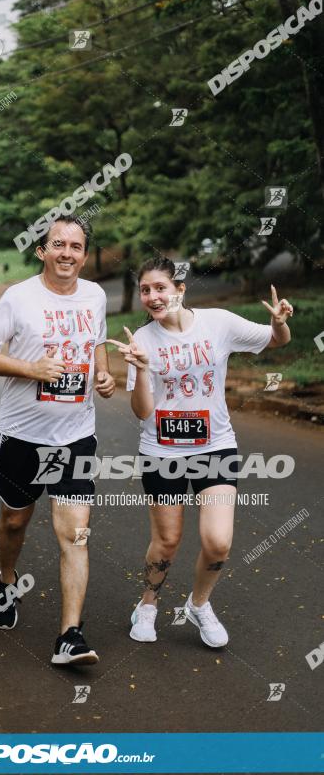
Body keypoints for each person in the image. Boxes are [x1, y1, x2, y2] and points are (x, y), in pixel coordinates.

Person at [108, 256, 292, 648]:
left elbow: (277, 340)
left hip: (215, 446)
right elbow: (142, 411)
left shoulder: (218, 323)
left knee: (218, 542)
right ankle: (148, 605)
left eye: (160, 288)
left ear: (180, 289)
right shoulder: (141, 341)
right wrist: (141, 370)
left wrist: (278, 322)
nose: (153, 297)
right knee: (168, 540)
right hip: (162, 451)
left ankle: (198, 603)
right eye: (145, 290)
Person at [0, 216, 115, 666]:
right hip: (21, 435)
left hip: (75, 437)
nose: (67, 253)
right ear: (42, 251)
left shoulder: (96, 296)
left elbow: (97, 344)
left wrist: (104, 375)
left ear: (84, 255)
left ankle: (69, 635)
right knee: (15, 522)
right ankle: (6, 580)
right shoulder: (19, 298)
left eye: (75, 246)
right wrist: (31, 369)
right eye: (58, 245)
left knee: (75, 534)